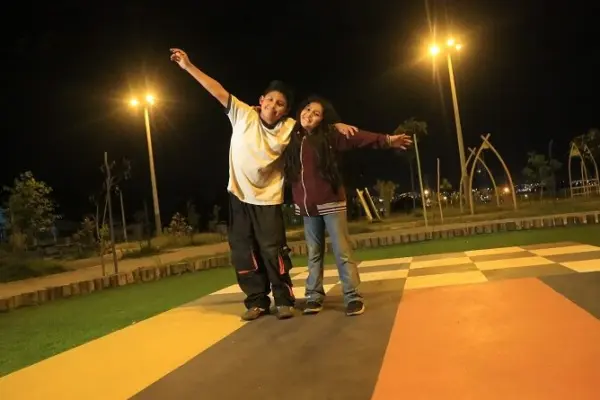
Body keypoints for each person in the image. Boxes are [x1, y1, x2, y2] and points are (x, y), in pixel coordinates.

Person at [170, 49, 357, 321]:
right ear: (261, 100)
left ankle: (283, 299)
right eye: (269, 100)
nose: (273, 106)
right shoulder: (242, 114)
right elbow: (216, 90)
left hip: (268, 199)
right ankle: (256, 301)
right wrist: (188, 66)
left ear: (286, 110)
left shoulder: (290, 127)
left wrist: (336, 124)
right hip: (238, 196)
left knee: (272, 250)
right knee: (243, 251)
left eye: (280, 104)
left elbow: (314, 121)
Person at [283, 96, 412, 316]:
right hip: (307, 208)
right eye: (307, 109)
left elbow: (359, 138)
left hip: (331, 202)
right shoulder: (292, 137)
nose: (309, 115)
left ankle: (352, 296)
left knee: (342, 251)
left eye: (316, 113)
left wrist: (388, 140)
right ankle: (314, 296)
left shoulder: (331, 135)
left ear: (323, 119)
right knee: (313, 253)